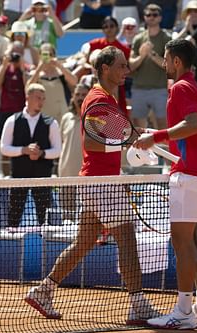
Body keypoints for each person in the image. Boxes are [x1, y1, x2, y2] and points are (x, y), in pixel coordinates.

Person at [24, 46, 159, 325]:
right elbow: (92, 143)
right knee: (127, 240)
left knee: (84, 243)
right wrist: (127, 143)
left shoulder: (106, 97)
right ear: (106, 68)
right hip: (101, 182)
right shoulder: (99, 99)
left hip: (97, 180)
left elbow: (115, 134)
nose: (127, 70)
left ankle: (43, 291)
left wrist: (139, 137)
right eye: (121, 66)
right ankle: (137, 304)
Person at [133, 39, 197, 330]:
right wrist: (154, 134)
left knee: (181, 244)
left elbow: (192, 125)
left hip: (188, 175)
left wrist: (154, 138)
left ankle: (183, 311)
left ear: (176, 62)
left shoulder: (180, 87)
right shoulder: (195, 88)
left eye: (167, 60)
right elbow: (190, 131)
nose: (165, 65)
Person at [0, 83, 62, 227]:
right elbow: (4, 148)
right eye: (37, 98)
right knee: (14, 213)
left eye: (43, 99)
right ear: (27, 98)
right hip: (18, 175)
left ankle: (46, 243)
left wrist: (41, 153)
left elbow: (57, 150)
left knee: (44, 215)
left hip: (43, 177)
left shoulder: (51, 123)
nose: (40, 102)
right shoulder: (12, 121)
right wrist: (23, 150)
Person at [129, 4, 171, 129]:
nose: (151, 17)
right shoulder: (138, 38)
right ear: (144, 17)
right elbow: (131, 65)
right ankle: (142, 150)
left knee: (163, 126)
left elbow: (168, 66)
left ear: (160, 18)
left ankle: (164, 149)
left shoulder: (166, 38)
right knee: (138, 128)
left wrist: (152, 55)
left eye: (154, 15)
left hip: (160, 89)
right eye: (148, 15)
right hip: (139, 89)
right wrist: (142, 56)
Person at [58, 83, 90, 222]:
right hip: (66, 176)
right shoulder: (66, 118)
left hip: (87, 177)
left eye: (83, 95)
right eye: (77, 94)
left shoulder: (95, 119)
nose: (80, 98)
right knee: (67, 219)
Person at [0, 41, 30, 139]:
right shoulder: (5, 68)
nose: (15, 56)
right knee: (5, 147)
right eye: (13, 53)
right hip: (5, 112)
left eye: (18, 53)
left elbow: (29, 89)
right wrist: (4, 66)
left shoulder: (27, 69)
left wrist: (22, 70)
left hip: (22, 113)